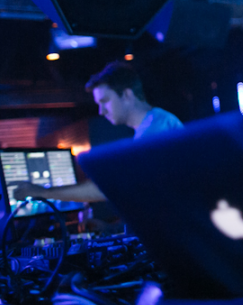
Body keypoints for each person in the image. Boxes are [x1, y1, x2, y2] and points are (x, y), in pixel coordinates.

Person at [14, 62, 183, 203]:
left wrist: (42, 192)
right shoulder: (153, 125)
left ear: (127, 95)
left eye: (105, 101)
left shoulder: (156, 128)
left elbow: (110, 187)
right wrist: (111, 227)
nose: (101, 111)